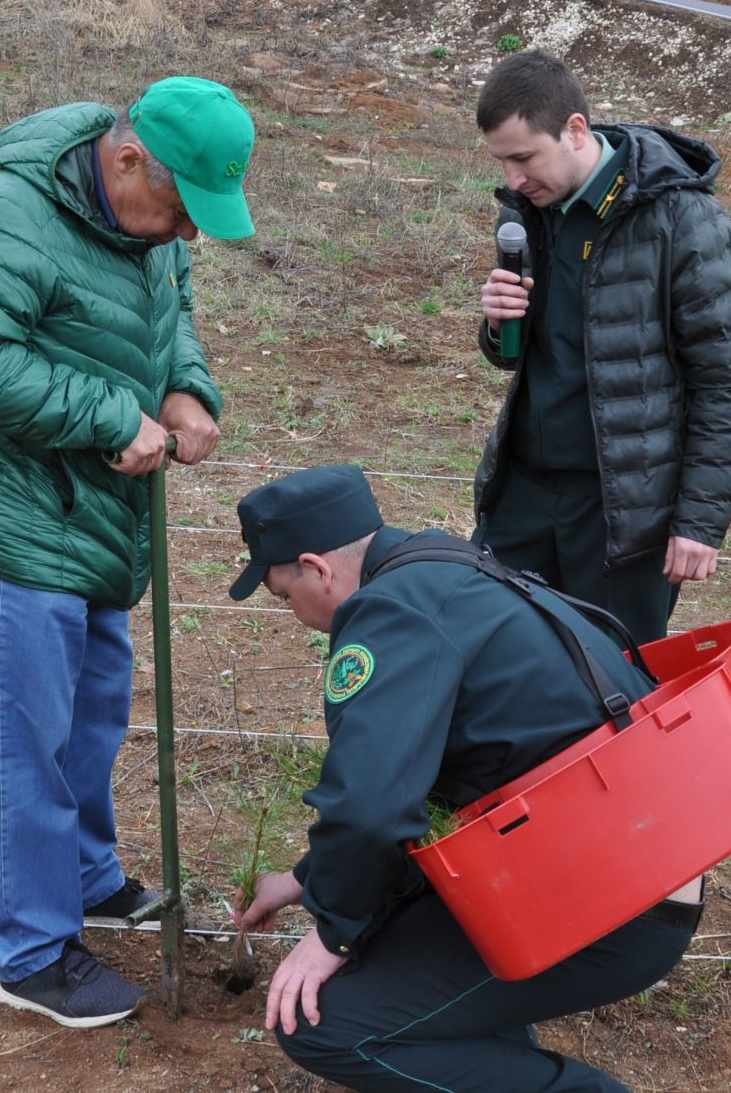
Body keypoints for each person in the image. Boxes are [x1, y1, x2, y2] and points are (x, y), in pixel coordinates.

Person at [0, 77, 256, 1027]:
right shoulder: (11, 213)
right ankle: (32, 953)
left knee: (95, 710)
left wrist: (186, 388)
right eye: (183, 210)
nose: (188, 235)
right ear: (130, 158)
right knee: (27, 737)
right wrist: (113, 412)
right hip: (19, 520)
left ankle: (85, 875)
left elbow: (170, 313)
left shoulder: (147, 225)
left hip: (103, 519)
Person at [228, 464, 704, 1092]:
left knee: (326, 1022)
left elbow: (373, 808)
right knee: (389, 950)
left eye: (284, 595)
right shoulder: (446, 568)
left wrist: (332, 934)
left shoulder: (390, 615)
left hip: (610, 902)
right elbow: (409, 793)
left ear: (318, 568)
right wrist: (304, 881)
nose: (295, 615)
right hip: (636, 860)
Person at [474, 51, 731, 644]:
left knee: (611, 685)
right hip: (522, 496)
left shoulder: (681, 218)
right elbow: (517, 355)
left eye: (524, 158)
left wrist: (699, 522)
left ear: (576, 130)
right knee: (501, 666)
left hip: (624, 516)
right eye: (502, 162)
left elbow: (726, 379)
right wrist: (499, 323)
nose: (513, 179)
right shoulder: (530, 210)